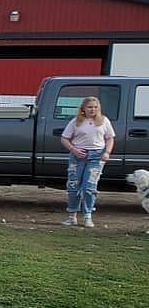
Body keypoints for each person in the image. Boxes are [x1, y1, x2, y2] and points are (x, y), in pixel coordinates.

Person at [60, 96, 115, 228]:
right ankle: (72, 216)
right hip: (78, 156)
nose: (93, 110)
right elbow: (64, 138)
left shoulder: (104, 121)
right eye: (90, 107)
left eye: (95, 107)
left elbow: (109, 138)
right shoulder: (76, 122)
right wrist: (74, 150)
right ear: (83, 108)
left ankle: (87, 216)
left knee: (89, 187)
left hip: (96, 156)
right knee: (74, 186)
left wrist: (107, 152)